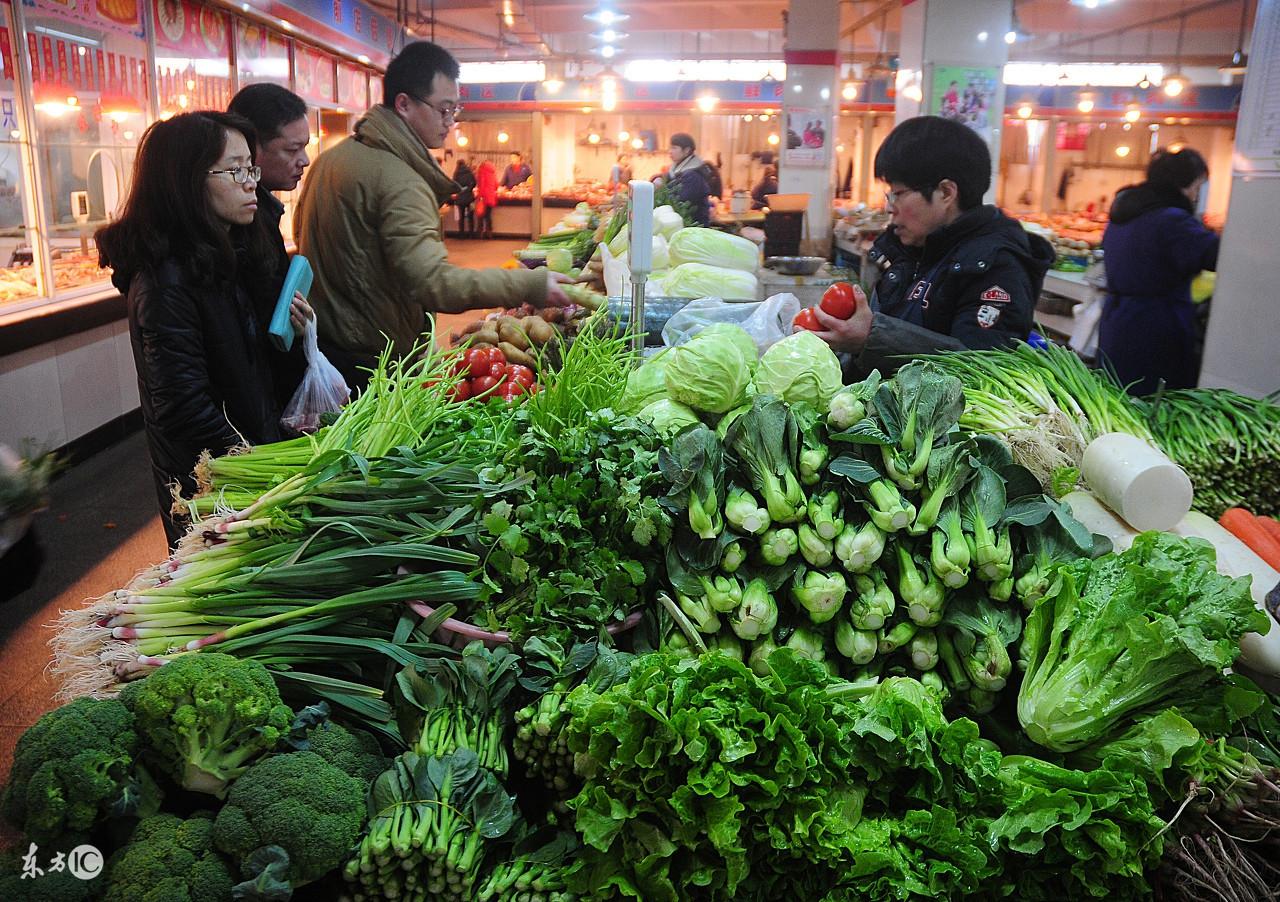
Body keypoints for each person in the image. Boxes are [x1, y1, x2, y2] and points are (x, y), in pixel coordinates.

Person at [294, 41, 567, 391]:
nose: (450, 122)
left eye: (455, 110)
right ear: (404, 104)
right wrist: (530, 284)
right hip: (373, 361)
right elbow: (433, 282)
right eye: (443, 110)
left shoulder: (331, 160)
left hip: (328, 347)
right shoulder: (399, 180)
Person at [95, 112, 312, 547]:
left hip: (246, 465)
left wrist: (287, 332)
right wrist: (260, 467)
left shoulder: (224, 253)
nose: (251, 182)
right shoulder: (166, 280)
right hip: (212, 484)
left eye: (250, 167)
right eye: (235, 170)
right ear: (187, 180)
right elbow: (184, 408)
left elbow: (243, 367)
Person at [808, 115, 1054, 379]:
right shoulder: (912, 250)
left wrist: (871, 337)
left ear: (946, 193)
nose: (889, 206)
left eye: (898, 193)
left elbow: (980, 369)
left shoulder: (996, 267)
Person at [1098, 147, 1218, 394]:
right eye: (1197, 186)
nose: (1196, 197)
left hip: (1117, 321)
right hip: (1155, 329)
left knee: (1117, 395)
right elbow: (1216, 255)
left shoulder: (1126, 212)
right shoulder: (1172, 221)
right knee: (1154, 404)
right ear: (1184, 184)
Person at [227, 83, 311, 406]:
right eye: (292, 150)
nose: (303, 160)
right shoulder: (242, 224)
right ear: (252, 150)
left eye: (305, 147)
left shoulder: (263, 212)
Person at [657, 132, 711, 225]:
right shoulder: (676, 169)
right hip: (684, 224)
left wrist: (660, 189)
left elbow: (680, 201)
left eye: (674, 148)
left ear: (687, 150)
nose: (670, 151)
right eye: (670, 148)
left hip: (694, 226)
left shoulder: (693, 175)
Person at [452, 158, 476, 237]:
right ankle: (471, 233)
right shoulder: (469, 172)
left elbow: (454, 185)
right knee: (470, 216)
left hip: (460, 197)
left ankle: (461, 233)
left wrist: (459, 191)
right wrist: (470, 189)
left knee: (461, 216)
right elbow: (474, 182)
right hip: (469, 197)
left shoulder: (456, 173)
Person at [475, 157, 498, 239]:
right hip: (491, 197)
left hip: (483, 197)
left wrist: (480, 196)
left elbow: (481, 185)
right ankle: (489, 233)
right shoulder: (493, 172)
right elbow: (496, 185)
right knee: (488, 216)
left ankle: (480, 233)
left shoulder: (482, 171)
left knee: (481, 216)